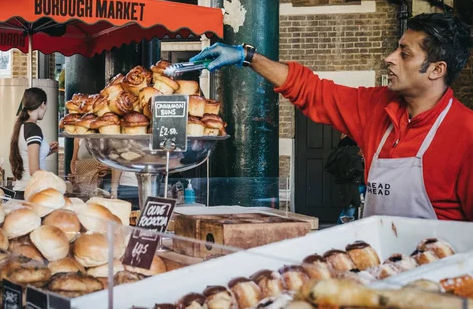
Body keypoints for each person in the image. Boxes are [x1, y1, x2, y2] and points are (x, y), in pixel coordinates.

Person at [191, 13, 473, 221]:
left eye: (404, 54)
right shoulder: (376, 106)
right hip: (376, 271)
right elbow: (311, 90)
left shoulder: (466, 134)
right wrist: (247, 56)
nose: (389, 58)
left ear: (436, 70)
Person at [10, 88, 58, 191]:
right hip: (33, 191)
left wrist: (47, 150)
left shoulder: (22, 126)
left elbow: (27, 156)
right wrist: (55, 181)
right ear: (42, 104)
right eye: (46, 105)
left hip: (23, 190)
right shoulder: (33, 129)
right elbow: (34, 170)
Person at [324, 134, 364, 224]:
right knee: (350, 209)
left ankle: (340, 230)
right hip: (352, 181)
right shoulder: (352, 149)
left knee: (350, 208)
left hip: (351, 181)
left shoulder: (342, 149)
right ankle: (340, 232)